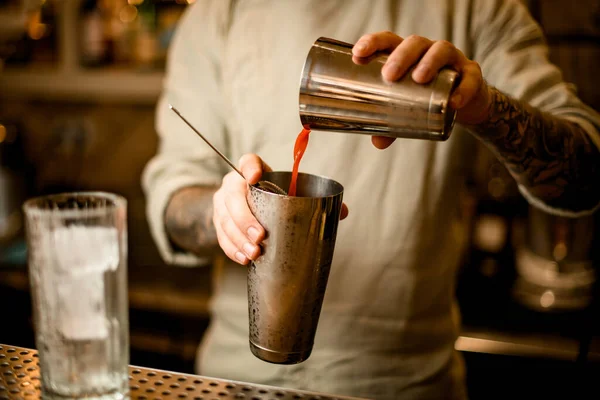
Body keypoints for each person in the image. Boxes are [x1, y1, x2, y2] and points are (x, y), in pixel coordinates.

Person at [142, 0, 600, 398]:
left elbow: (586, 177)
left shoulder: (477, 9)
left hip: (404, 385)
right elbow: (174, 196)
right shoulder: (218, 13)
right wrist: (222, 214)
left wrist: (484, 107)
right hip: (236, 379)